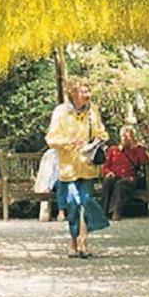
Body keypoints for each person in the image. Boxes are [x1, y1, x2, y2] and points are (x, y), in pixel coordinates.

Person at [45, 77, 110, 258]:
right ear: (73, 93)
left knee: (87, 202)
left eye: (88, 91)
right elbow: (51, 139)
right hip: (69, 168)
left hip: (87, 165)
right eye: (83, 91)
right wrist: (70, 142)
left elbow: (102, 133)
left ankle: (84, 241)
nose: (87, 95)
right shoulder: (60, 112)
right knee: (73, 204)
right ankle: (73, 240)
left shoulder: (93, 112)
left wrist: (94, 142)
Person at [101, 125, 149, 220]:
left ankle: (116, 211)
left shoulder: (137, 150)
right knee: (108, 181)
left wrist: (138, 147)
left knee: (121, 184)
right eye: (123, 136)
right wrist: (109, 172)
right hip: (115, 176)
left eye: (128, 137)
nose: (125, 139)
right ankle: (103, 211)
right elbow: (106, 166)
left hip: (129, 178)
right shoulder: (113, 150)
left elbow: (144, 161)